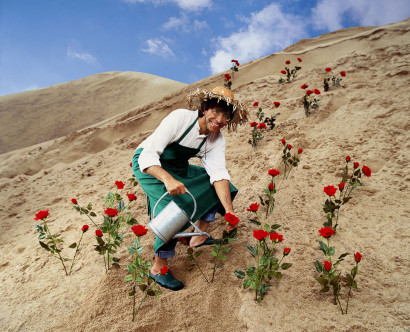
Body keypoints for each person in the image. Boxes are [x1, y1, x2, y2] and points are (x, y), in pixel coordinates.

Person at [131, 86, 248, 291]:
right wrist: (167, 180)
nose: (219, 120)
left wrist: (229, 211)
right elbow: (147, 156)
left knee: (222, 187)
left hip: (179, 169)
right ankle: (158, 268)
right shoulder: (180, 119)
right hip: (149, 165)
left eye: (226, 116)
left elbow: (218, 174)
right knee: (171, 211)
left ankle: (198, 236)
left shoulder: (216, 138)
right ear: (205, 109)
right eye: (216, 112)